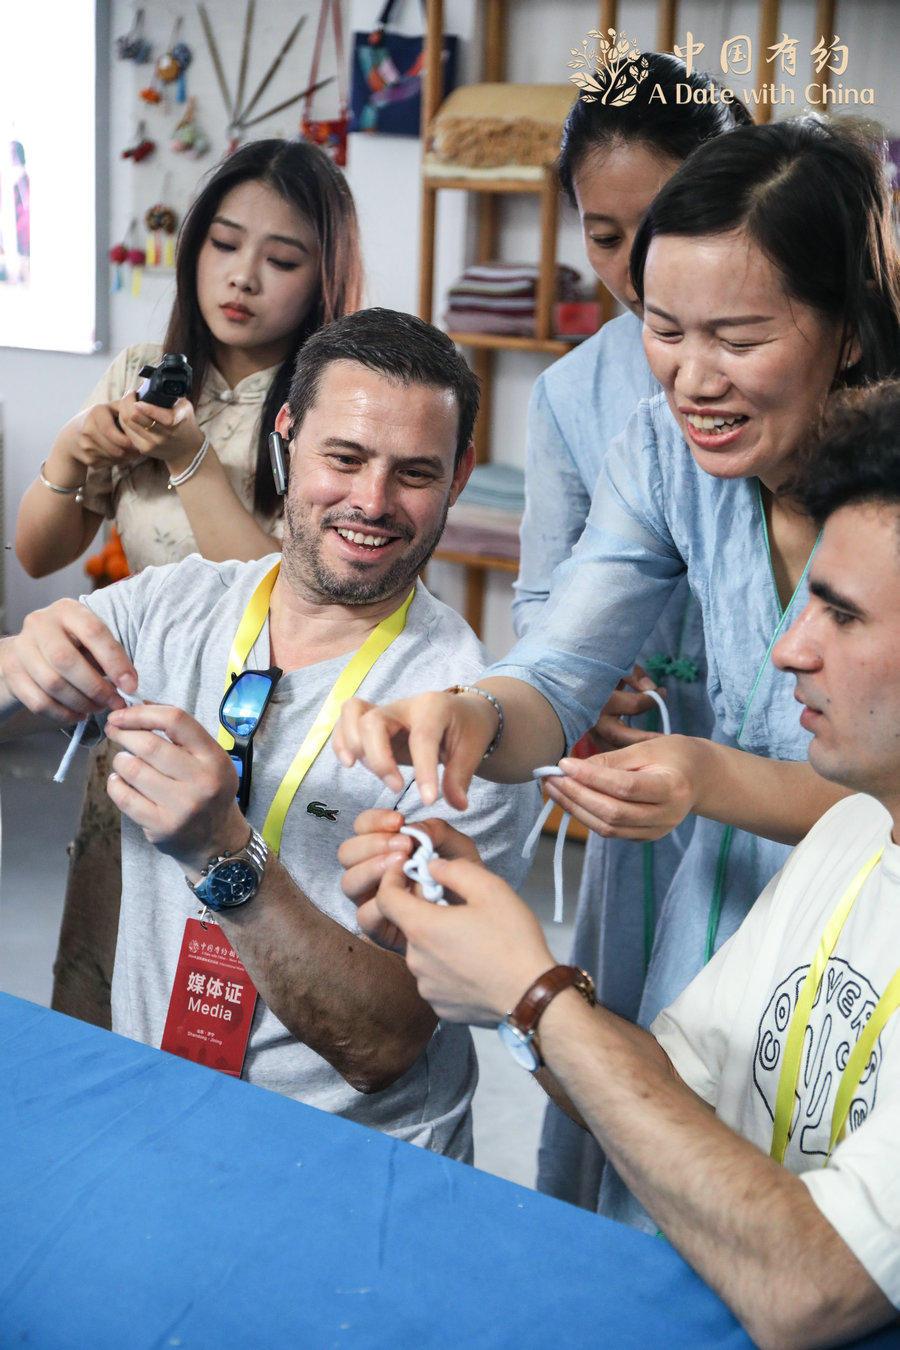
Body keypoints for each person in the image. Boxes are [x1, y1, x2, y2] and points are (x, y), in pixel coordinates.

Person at [334, 116, 900, 1220]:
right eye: (663, 328)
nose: (692, 379)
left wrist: (708, 774)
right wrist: (468, 714)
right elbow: (558, 672)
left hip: (868, 937)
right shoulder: (661, 450)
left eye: (739, 337)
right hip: (718, 917)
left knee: (822, 1234)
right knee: (676, 1177)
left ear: (845, 329)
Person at [351, 379, 900, 1349]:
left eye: (842, 616)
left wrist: (531, 996)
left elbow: (812, 1287)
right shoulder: (856, 832)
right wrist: (505, 964)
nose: (787, 650)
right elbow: (668, 1088)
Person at [0, 309, 538, 1160]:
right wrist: (16, 660)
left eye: (414, 473)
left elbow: (385, 1046)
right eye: (344, 458)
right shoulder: (179, 605)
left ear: (460, 474)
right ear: (286, 435)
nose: (372, 502)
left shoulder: (467, 721)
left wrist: (224, 853)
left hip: (346, 1161)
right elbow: (22, 676)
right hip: (159, 1115)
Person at [14, 138, 364, 1027]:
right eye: (224, 244)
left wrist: (190, 458)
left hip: (269, 747)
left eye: (282, 259)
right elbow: (37, 555)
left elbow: (279, 593)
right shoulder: (147, 372)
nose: (242, 277)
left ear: (324, 278)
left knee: (239, 995)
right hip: (140, 730)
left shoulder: (330, 405)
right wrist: (72, 452)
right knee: (106, 973)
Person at [514, 54, 750, 1209]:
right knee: (635, 1053)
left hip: (788, 777)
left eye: (656, 225)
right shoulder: (583, 395)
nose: (631, 267)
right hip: (645, 774)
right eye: (603, 237)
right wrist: (558, 694)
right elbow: (549, 613)